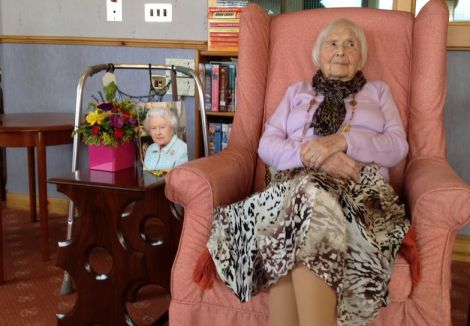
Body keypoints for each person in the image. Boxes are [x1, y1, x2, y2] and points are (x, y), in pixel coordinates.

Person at [194, 18, 415, 326]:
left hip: (359, 192)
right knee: (306, 198)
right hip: (297, 186)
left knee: (301, 211)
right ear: (318, 54)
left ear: (361, 57)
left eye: (351, 44)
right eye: (333, 43)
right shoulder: (296, 93)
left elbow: (396, 146)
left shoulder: (378, 93)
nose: (341, 51)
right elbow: (267, 145)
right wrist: (313, 157)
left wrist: (343, 141)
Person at [142, 107, 188, 171]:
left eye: (162, 127)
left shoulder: (183, 150)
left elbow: (179, 179)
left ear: (172, 128)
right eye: (153, 128)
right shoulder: (150, 148)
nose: (158, 133)